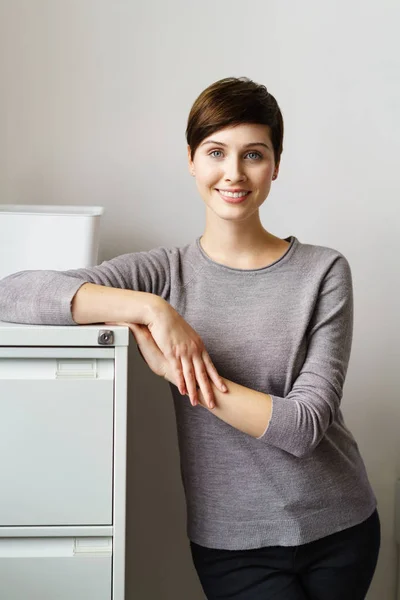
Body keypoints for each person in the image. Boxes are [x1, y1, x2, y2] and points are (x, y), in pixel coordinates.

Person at [0, 77, 380, 599]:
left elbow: (303, 426)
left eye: (254, 154)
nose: (234, 172)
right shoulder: (163, 274)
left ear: (275, 165)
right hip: (234, 545)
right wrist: (150, 307)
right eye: (216, 152)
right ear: (192, 160)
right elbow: (13, 294)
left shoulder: (325, 270)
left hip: (341, 526)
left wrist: (177, 371)